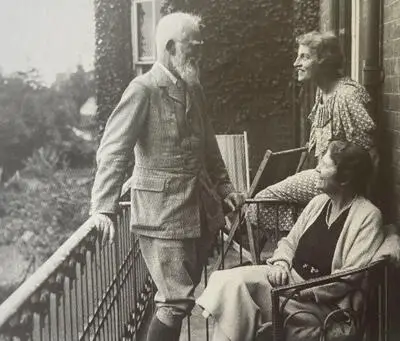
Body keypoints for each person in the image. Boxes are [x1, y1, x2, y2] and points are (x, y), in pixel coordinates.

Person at [87, 12, 245, 341]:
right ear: (170, 47)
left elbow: (209, 146)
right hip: (161, 214)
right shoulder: (142, 90)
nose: (200, 54)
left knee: (181, 301)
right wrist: (103, 207)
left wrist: (226, 186)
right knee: (174, 301)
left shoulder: (193, 88)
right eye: (193, 47)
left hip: (199, 209)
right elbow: (114, 150)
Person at [196, 140, 384, 341]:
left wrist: (301, 291)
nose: (317, 169)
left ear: (345, 179)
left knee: (235, 301)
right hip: (288, 282)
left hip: (318, 303)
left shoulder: (368, 216)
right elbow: (289, 242)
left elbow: (347, 278)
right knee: (228, 281)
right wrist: (280, 263)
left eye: (325, 165)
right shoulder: (319, 203)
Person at [248, 31, 377, 232]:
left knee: (260, 203)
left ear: (324, 61)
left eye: (305, 57)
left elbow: (369, 152)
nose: (296, 63)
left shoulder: (347, 95)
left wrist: (359, 202)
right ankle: (310, 236)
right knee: (261, 206)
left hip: (339, 186)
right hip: (323, 178)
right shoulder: (323, 92)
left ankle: (310, 236)